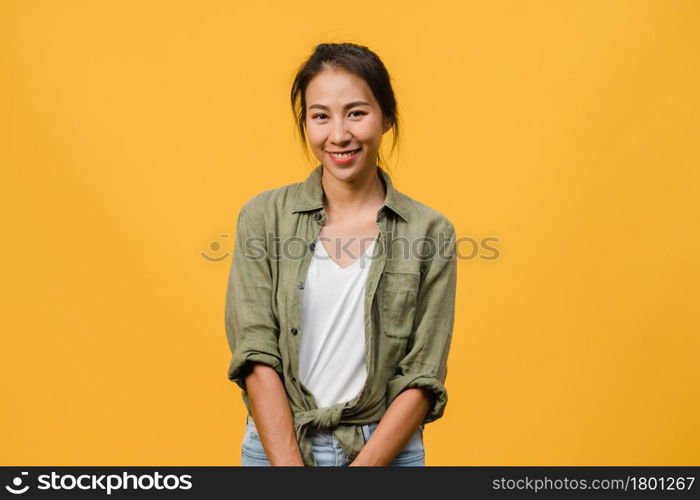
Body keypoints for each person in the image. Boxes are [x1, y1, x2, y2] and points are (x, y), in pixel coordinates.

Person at [224, 42, 457, 467]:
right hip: (276, 447)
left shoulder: (430, 231)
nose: (338, 135)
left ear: (386, 117)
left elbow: (423, 374)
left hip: (387, 451)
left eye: (356, 112)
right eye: (320, 116)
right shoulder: (263, 218)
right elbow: (254, 348)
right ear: (306, 123)